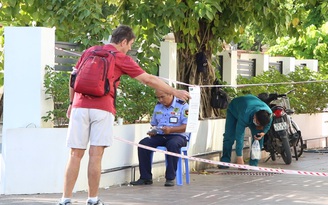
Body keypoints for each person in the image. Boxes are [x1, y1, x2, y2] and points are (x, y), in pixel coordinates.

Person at [57, 25, 191, 205]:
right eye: (130, 45)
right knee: (95, 155)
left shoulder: (90, 51)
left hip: (79, 107)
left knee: (75, 154)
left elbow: (72, 79)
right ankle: (92, 199)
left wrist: (72, 103)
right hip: (102, 108)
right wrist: (174, 91)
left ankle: (65, 199)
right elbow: (148, 79)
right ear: (123, 41)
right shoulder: (120, 57)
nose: (129, 49)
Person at [130, 89, 189, 187]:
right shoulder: (158, 107)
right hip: (161, 135)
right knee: (143, 144)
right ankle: (145, 177)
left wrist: (171, 130)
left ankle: (170, 178)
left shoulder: (183, 106)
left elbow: (187, 126)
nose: (160, 100)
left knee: (173, 144)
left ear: (170, 94)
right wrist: (153, 131)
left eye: (162, 97)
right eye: (158, 97)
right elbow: (154, 124)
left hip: (178, 136)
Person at [219, 94, 272, 168]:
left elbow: (268, 125)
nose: (257, 125)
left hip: (251, 108)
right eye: (257, 123)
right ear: (255, 117)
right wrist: (239, 157)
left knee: (258, 137)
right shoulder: (245, 114)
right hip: (234, 110)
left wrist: (264, 132)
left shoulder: (268, 113)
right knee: (229, 137)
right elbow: (239, 136)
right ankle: (225, 161)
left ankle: (253, 163)